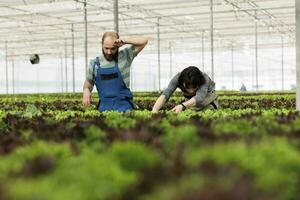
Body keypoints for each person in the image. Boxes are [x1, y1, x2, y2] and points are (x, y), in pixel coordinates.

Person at [82, 31, 148, 112]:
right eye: (106, 48)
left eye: (113, 49)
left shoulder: (125, 56)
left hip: (124, 108)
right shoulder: (94, 64)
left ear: (118, 46)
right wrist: (86, 91)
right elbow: (88, 84)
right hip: (104, 109)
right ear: (102, 45)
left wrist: (125, 41)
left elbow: (144, 41)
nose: (109, 52)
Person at [152, 66, 218, 113]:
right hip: (191, 104)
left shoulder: (204, 78)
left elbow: (199, 97)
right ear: (182, 82)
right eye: (188, 87)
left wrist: (182, 106)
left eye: (194, 87)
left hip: (208, 103)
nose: (191, 91)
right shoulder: (177, 78)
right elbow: (166, 94)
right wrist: (155, 109)